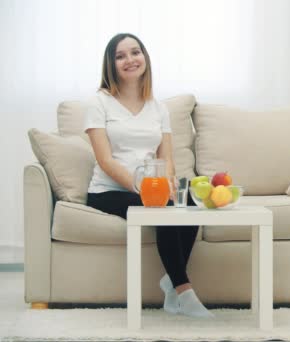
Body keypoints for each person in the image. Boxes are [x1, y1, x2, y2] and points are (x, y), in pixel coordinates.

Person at [84, 33, 213, 318]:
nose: (130, 60)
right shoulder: (99, 103)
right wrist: (143, 187)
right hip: (108, 191)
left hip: (148, 187)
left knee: (188, 200)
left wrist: (165, 184)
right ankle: (184, 292)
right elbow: (105, 161)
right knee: (164, 208)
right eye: (120, 56)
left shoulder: (158, 108)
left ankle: (170, 280)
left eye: (135, 52)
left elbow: (166, 158)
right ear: (111, 64)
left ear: (145, 58)